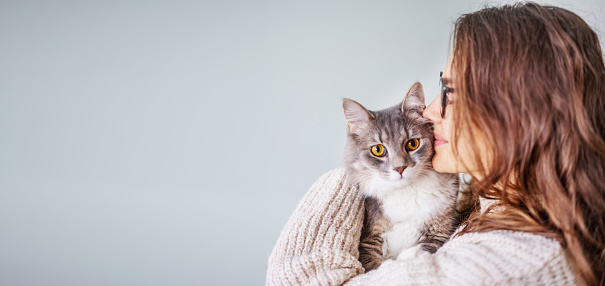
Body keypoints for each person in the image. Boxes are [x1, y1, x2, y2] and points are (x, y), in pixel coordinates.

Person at [266, 2, 605, 285]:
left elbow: (293, 279)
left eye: (449, 93)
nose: (430, 112)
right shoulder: (494, 203)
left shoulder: (504, 266)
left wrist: (345, 177)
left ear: (519, 111)